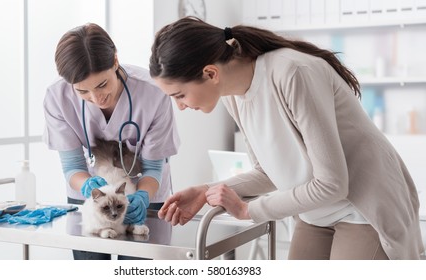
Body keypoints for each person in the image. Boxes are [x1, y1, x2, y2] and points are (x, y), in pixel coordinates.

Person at [149, 17, 423, 260]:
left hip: (364, 208)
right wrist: (206, 190)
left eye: (179, 96)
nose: (180, 107)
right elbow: (268, 173)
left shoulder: (292, 73)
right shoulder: (233, 97)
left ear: (211, 73)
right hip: (317, 211)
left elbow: (332, 184)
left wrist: (249, 210)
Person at [43, 23, 180, 260]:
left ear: (115, 61)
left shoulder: (153, 92)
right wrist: (88, 186)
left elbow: (154, 168)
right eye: (82, 92)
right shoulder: (57, 98)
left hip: (145, 194)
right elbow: (72, 166)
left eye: (102, 84)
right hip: (91, 200)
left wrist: (142, 196)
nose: (97, 98)